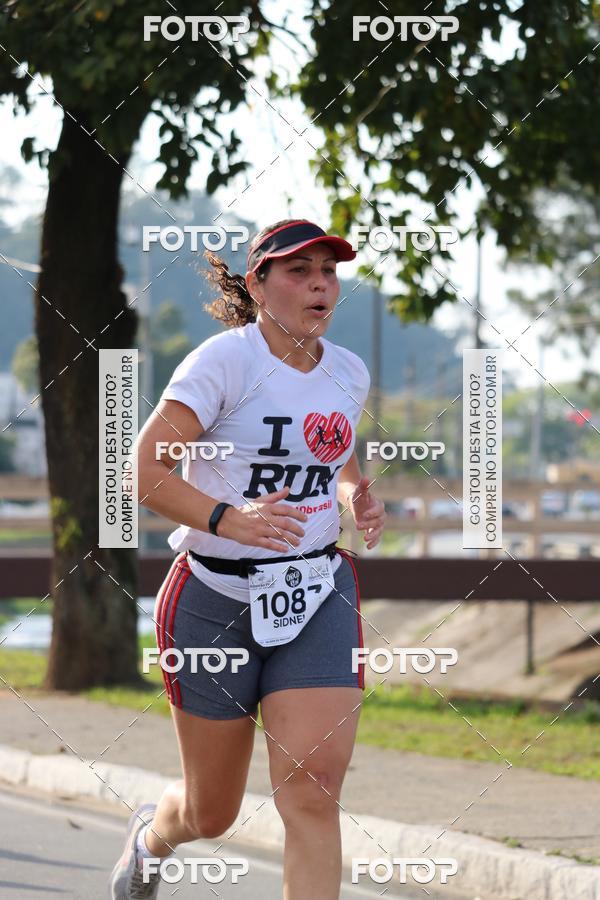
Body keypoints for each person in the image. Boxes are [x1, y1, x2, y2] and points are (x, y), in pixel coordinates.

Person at [109, 218, 386, 899]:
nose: (320, 283)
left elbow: (333, 447)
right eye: (299, 270)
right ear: (258, 284)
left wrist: (353, 493)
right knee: (212, 811)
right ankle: (153, 838)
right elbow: (139, 470)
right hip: (212, 599)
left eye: (328, 270)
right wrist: (231, 519)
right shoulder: (223, 363)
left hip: (317, 589)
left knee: (314, 789)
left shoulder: (348, 370)